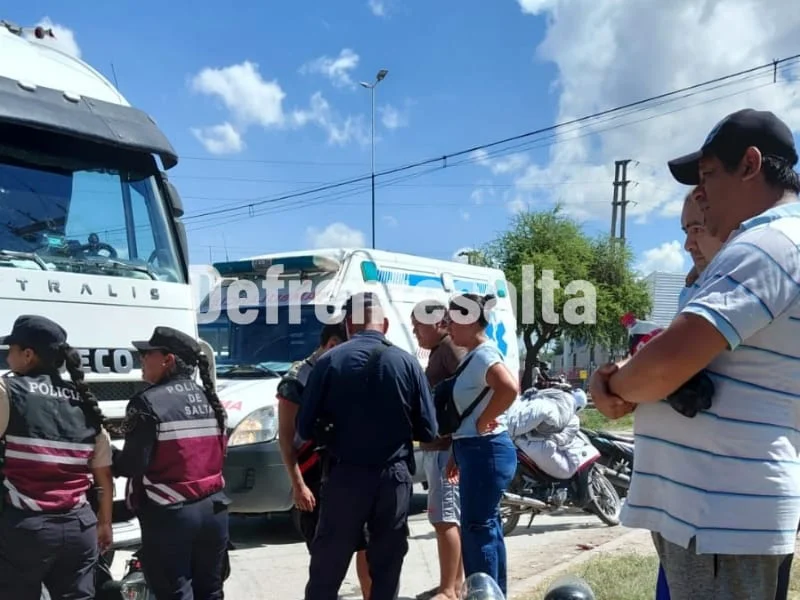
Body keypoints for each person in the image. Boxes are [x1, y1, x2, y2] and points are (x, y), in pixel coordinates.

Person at [590, 108, 800, 599]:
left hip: (721, 514)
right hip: (717, 512)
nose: (700, 195)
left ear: (750, 165)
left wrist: (612, 387)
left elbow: (665, 366)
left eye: (708, 176)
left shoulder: (770, 244)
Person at [298, 292, 438, 600]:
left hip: (344, 477)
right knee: (386, 567)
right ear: (385, 324)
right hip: (394, 477)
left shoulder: (328, 362)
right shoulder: (408, 363)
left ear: (349, 324)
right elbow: (429, 430)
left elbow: (304, 427)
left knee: (327, 567)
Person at [0, 315, 113, 600]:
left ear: (28, 355)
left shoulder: (8, 393)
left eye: (10, 350)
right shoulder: (85, 400)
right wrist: (104, 523)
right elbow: (104, 476)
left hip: (27, 529)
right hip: (80, 527)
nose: (7, 357)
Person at [112, 326, 230, 600]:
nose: (141, 359)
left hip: (171, 515)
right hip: (215, 510)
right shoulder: (211, 400)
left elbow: (132, 466)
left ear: (168, 360)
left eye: (147, 354)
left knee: (175, 593)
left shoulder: (146, 402)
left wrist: (107, 455)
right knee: (211, 592)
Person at [276, 322, 373, 599]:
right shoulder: (297, 379)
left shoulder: (342, 370)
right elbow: (286, 439)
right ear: (332, 344)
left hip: (349, 474)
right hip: (313, 476)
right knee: (325, 558)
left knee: (366, 545)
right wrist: (298, 485)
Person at [443, 293, 519, 596]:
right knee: (485, 526)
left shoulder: (485, 354)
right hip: (473, 449)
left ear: (470, 320)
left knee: (477, 528)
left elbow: (509, 388)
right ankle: (493, 591)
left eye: (452, 321)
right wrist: (456, 450)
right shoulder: (473, 355)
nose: (448, 327)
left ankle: (483, 593)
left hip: (485, 449)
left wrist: (484, 420)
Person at [411, 299, 466, 600]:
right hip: (441, 447)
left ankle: (449, 589)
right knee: (448, 518)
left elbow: (471, 391)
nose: (415, 331)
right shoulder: (439, 351)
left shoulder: (449, 349)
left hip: (447, 449)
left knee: (444, 519)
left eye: (418, 325)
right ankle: (454, 584)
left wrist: (456, 440)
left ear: (439, 323)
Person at [505, 386, 594, 480]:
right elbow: (561, 439)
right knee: (567, 471)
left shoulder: (547, 394)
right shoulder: (571, 417)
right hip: (524, 440)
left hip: (506, 425)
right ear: (578, 408)